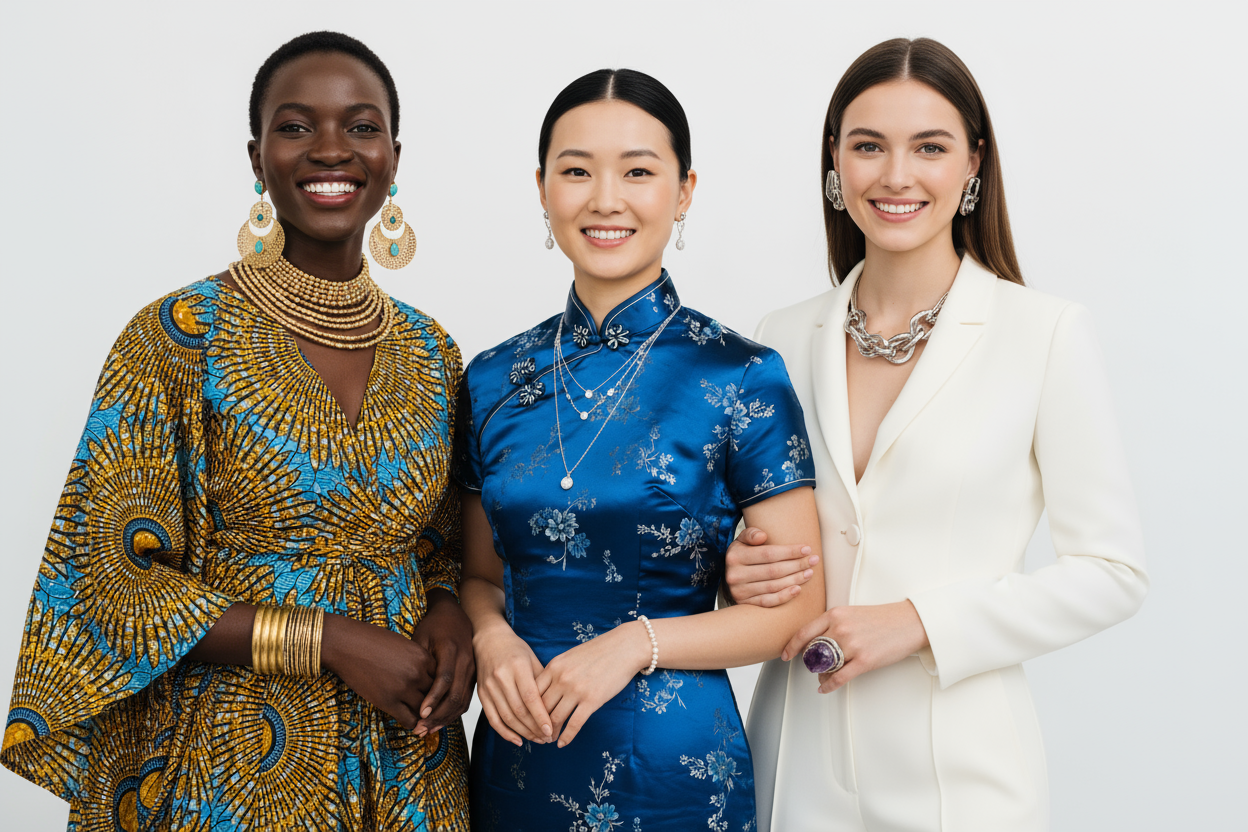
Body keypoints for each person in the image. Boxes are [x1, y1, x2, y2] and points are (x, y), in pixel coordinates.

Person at [1, 31, 472, 830]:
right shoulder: (179, 335)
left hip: (405, 762)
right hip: (225, 765)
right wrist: (328, 639)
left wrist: (451, 609)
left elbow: (444, 550)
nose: (332, 150)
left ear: (395, 156)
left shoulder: (433, 353)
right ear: (256, 158)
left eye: (361, 127)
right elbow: (110, 584)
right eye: (296, 127)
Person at [724, 38, 1149, 832]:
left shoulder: (1045, 333)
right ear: (834, 161)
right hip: (795, 766)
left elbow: (1112, 571)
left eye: (930, 147)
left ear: (973, 165)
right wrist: (738, 569)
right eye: (868, 146)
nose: (895, 176)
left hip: (965, 779)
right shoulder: (776, 340)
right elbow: (750, 554)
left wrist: (920, 621)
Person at [455, 68, 826, 832]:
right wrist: (491, 640)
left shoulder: (741, 375)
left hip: (676, 767)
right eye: (577, 170)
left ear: (685, 191)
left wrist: (633, 644)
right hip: (521, 754)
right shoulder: (492, 380)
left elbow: (796, 613)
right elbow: (479, 577)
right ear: (542, 187)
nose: (605, 199)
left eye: (638, 171)